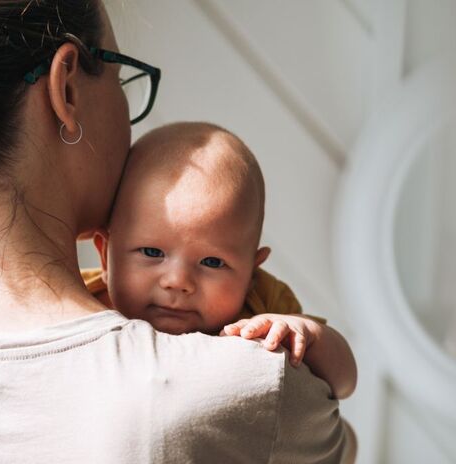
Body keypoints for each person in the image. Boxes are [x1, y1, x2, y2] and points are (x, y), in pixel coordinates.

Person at [0, 1, 356, 464]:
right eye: (122, 77)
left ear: (253, 268)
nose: (178, 282)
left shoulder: (264, 323)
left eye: (211, 262)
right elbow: (341, 451)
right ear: (67, 89)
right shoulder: (254, 385)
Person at [83, 121, 357, 399]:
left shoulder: (263, 311)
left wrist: (307, 334)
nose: (178, 282)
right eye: (152, 253)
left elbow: (345, 382)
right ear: (105, 255)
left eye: (212, 262)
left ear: (251, 274)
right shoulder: (79, 300)